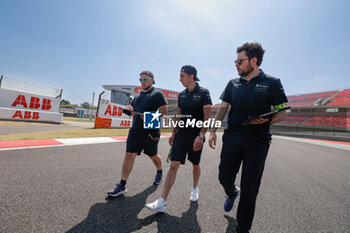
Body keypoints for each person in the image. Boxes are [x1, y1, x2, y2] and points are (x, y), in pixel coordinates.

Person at [209, 42, 288, 233]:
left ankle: (243, 228)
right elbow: (222, 108)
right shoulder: (232, 83)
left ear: (254, 60)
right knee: (224, 176)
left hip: (258, 140)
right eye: (235, 61)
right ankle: (231, 192)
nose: (236, 64)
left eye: (240, 61)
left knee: (250, 189)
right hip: (233, 136)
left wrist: (267, 121)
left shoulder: (273, 83)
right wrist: (212, 130)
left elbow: (283, 112)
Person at [145, 65, 212, 212]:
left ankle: (194, 188)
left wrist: (201, 136)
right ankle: (162, 201)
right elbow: (179, 115)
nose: (179, 78)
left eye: (182, 76)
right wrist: (174, 133)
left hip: (196, 137)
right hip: (181, 135)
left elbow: (207, 117)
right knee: (174, 165)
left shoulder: (204, 93)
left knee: (195, 164)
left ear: (191, 76)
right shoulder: (181, 95)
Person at [107, 70, 168, 197]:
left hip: (150, 132)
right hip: (135, 131)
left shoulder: (158, 94)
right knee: (129, 155)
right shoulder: (138, 96)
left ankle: (159, 171)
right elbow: (133, 108)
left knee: (153, 156)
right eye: (140, 80)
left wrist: (145, 117)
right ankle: (122, 185)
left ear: (152, 80)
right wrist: (128, 109)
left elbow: (164, 111)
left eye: (145, 79)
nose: (142, 82)